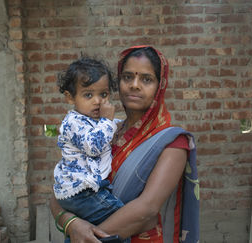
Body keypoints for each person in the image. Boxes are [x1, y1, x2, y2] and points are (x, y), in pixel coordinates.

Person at [50, 46, 199, 243]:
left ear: (160, 86)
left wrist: (87, 238)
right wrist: (73, 225)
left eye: (146, 79)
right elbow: (59, 192)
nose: (134, 85)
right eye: (127, 77)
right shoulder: (101, 132)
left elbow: (146, 211)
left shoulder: (172, 143)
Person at [53, 57, 125, 238]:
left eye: (103, 94)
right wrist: (108, 121)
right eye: (88, 95)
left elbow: (111, 128)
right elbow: (94, 146)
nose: (97, 101)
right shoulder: (72, 123)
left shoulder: (94, 121)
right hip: (81, 194)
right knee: (122, 219)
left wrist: (118, 124)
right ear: (70, 97)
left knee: (88, 229)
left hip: (82, 192)